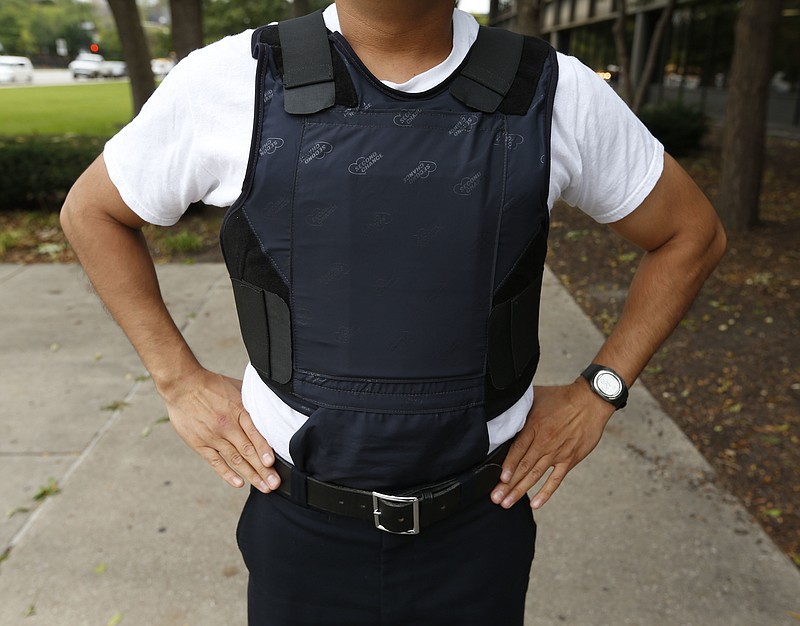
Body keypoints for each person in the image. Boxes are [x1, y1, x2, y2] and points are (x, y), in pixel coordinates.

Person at [60, 1, 726, 624]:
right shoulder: (234, 78)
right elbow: (92, 212)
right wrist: (177, 380)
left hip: (479, 527)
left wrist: (600, 392)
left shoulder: (554, 91)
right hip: (299, 525)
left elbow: (691, 234)